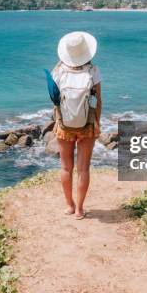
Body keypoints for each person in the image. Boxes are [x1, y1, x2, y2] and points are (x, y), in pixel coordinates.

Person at [51, 31, 102, 220]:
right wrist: (97, 124)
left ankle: (69, 206)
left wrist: (58, 121)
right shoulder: (93, 71)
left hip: (64, 126)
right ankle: (80, 209)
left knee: (66, 168)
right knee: (83, 169)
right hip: (87, 125)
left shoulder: (58, 71)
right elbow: (98, 102)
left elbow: (55, 102)